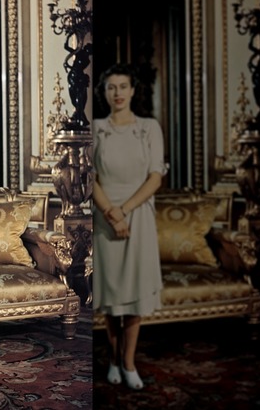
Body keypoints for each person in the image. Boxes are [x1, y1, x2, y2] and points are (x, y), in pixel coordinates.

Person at [92, 63, 166, 390]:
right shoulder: (96, 128)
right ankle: (111, 357)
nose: (118, 93)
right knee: (112, 295)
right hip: (106, 215)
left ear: (134, 91)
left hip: (137, 214)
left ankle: (128, 362)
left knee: (134, 294)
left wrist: (124, 210)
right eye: (111, 87)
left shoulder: (149, 128)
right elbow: (88, 178)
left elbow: (155, 177)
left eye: (123, 86)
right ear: (104, 92)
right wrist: (111, 212)